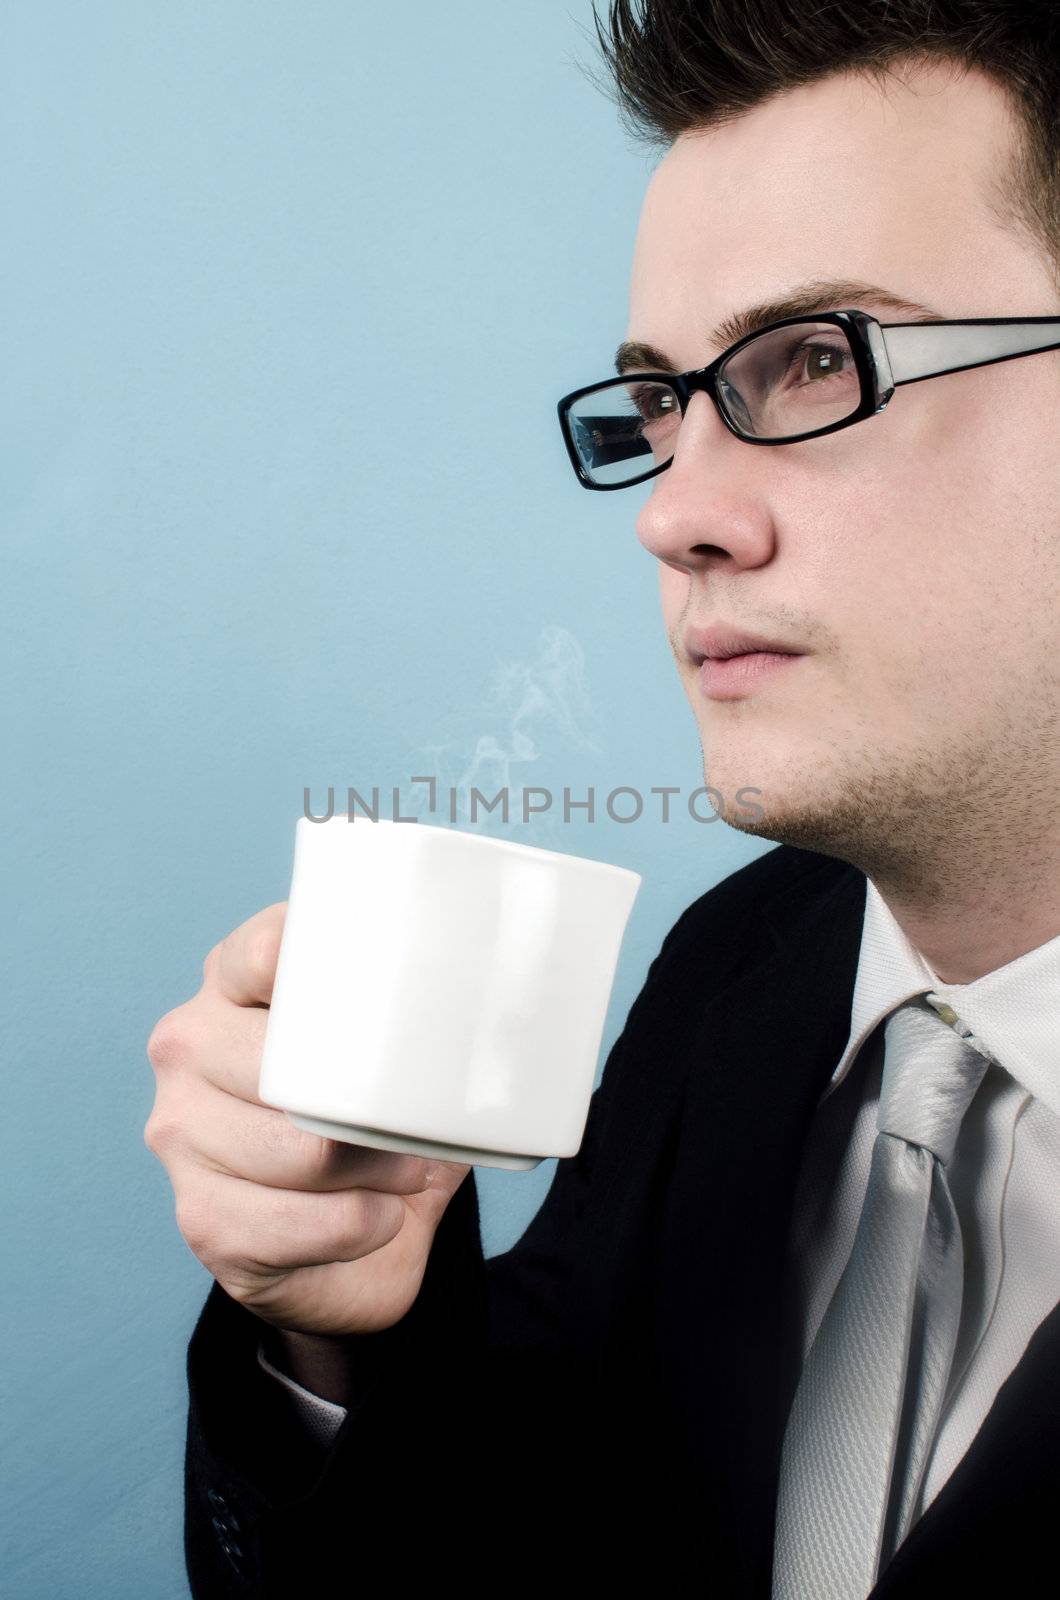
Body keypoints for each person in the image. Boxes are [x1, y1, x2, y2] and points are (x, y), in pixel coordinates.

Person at [144, 2, 1060, 1594]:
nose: (680, 512)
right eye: (661, 404)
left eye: (813, 361)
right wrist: (335, 1331)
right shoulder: (742, 970)